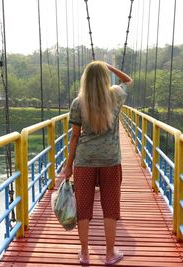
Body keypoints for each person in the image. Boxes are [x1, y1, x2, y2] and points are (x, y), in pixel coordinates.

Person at [59, 61, 133, 265]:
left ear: (85, 79)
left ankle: (84, 253)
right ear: (105, 78)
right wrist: (108, 66)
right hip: (110, 160)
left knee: (83, 208)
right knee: (110, 208)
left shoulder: (77, 103)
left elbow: (74, 137)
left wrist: (67, 166)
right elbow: (128, 80)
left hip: (84, 161)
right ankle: (109, 254)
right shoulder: (116, 95)